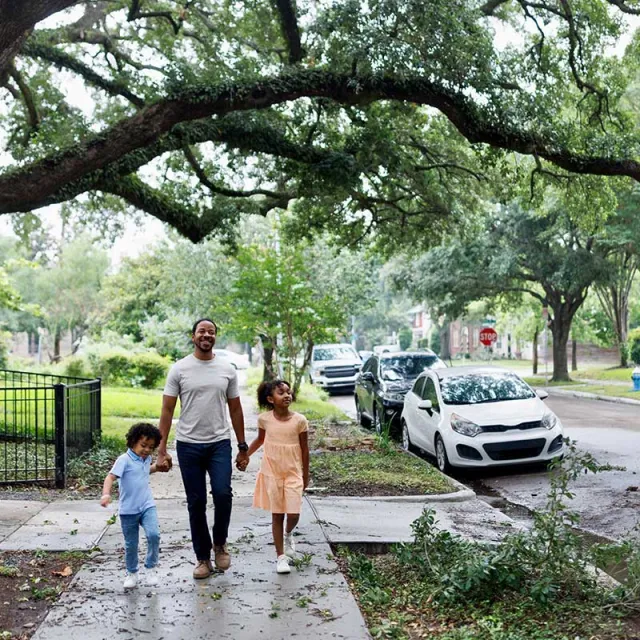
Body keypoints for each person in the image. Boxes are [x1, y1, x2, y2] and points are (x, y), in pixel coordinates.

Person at [156, 318, 249, 579]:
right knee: (196, 502)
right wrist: (161, 449)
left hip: (219, 443)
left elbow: (235, 408)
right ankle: (202, 558)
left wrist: (242, 447)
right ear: (193, 336)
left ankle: (220, 543)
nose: (206, 335)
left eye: (211, 332)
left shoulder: (227, 369)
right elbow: (167, 409)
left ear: (215, 337)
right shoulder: (180, 369)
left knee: (223, 494)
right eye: (201, 331)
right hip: (188, 445)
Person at [244, 379, 310, 574]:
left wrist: (305, 475)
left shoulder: (300, 420)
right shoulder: (264, 419)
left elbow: (305, 450)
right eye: (281, 393)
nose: (287, 395)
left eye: (288, 392)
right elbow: (260, 440)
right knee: (277, 514)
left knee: (294, 513)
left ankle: (288, 534)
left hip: (293, 472)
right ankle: (281, 557)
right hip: (272, 472)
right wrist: (244, 455)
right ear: (270, 399)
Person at [100, 422, 165, 590]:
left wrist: (156, 468)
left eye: (151, 447)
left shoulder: (146, 459)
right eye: (143, 445)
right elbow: (110, 478)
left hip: (146, 505)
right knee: (131, 544)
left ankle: (151, 567)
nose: (146, 450)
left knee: (154, 535)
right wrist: (106, 494)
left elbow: (144, 471)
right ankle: (132, 573)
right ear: (132, 441)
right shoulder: (124, 460)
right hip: (128, 510)